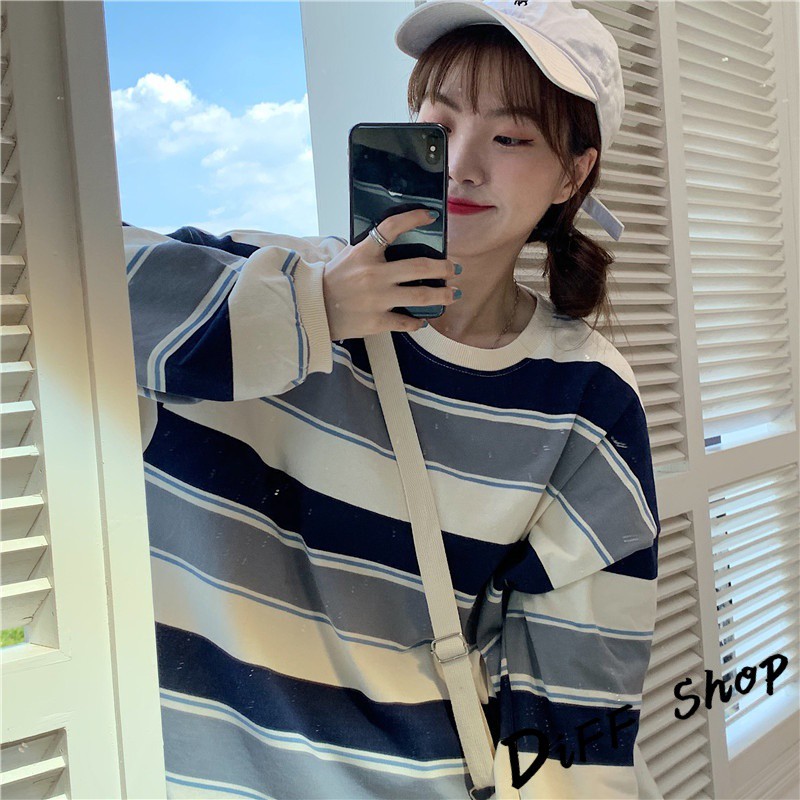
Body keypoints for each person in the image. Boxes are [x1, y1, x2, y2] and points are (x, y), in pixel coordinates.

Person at [123, 1, 660, 798]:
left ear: (573, 174)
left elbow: (575, 702)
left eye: (512, 138)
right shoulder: (264, 281)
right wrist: (311, 312)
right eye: (439, 124)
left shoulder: (586, 397)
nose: (461, 165)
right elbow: (52, 281)